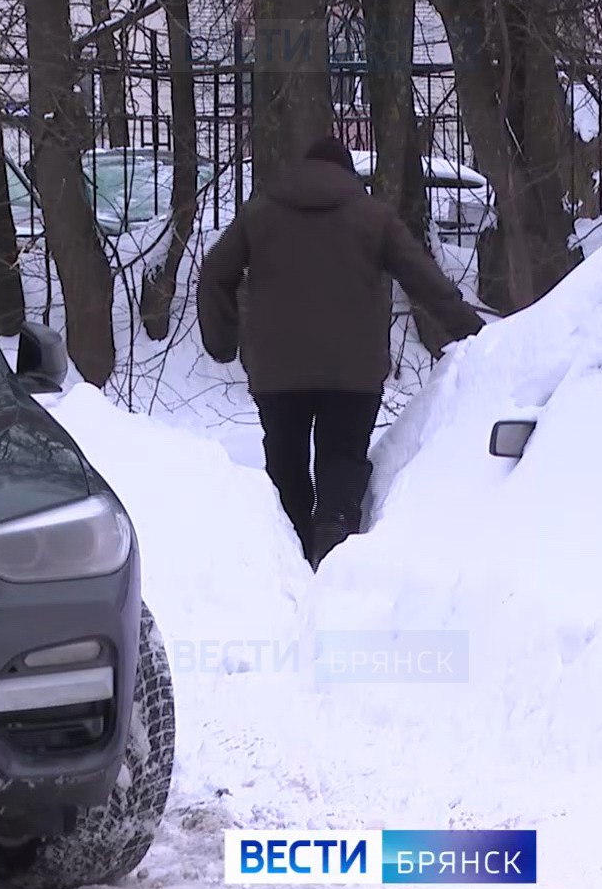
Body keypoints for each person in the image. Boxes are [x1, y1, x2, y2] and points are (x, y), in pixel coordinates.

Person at [199, 136, 485, 569]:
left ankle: (291, 551)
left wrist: (223, 342)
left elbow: (215, 272)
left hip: (278, 370)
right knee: (343, 454)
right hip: (354, 372)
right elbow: (423, 278)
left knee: (286, 455)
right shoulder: (372, 217)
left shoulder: (260, 213)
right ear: (347, 173)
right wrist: (474, 332)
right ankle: (334, 542)